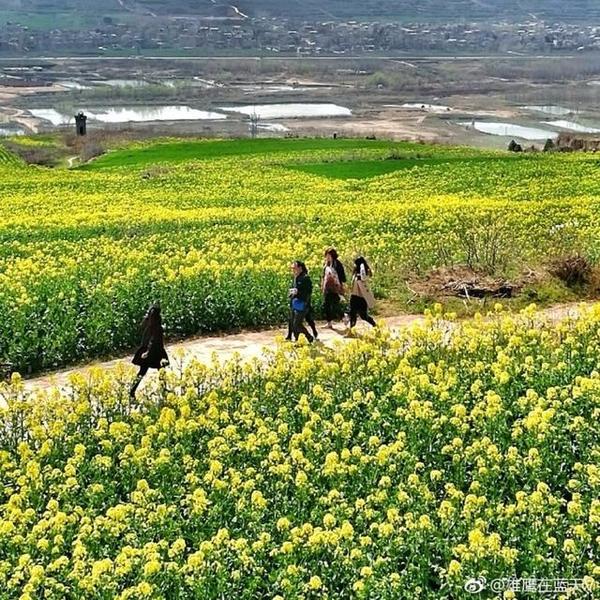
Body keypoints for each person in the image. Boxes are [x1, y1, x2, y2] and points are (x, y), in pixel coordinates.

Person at [129, 302, 170, 398]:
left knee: (142, 372)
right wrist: (148, 352)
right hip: (155, 351)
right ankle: (164, 389)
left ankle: (132, 390)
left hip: (148, 350)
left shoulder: (148, 323)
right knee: (161, 370)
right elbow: (153, 340)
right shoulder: (158, 327)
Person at [287, 260, 314, 343]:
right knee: (292, 321)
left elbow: (309, 291)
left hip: (302, 304)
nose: (293, 270)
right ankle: (297, 339)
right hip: (294, 302)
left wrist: (298, 292)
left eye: (294, 268)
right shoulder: (295, 277)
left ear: (300, 268)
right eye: (292, 268)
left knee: (297, 324)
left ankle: (309, 337)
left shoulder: (305, 278)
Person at [347, 256, 376, 334]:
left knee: (363, 316)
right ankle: (351, 331)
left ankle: (374, 325)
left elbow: (363, 277)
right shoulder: (355, 274)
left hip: (362, 297)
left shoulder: (364, 274)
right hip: (354, 296)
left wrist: (362, 266)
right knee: (352, 314)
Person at [322, 247, 347, 328]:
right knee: (326, 305)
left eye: (329, 255)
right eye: (326, 255)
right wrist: (322, 285)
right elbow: (323, 275)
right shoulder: (326, 264)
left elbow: (342, 277)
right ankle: (329, 323)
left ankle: (344, 316)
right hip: (327, 288)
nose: (327, 257)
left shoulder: (337, 264)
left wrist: (340, 286)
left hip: (335, 288)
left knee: (335, 305)